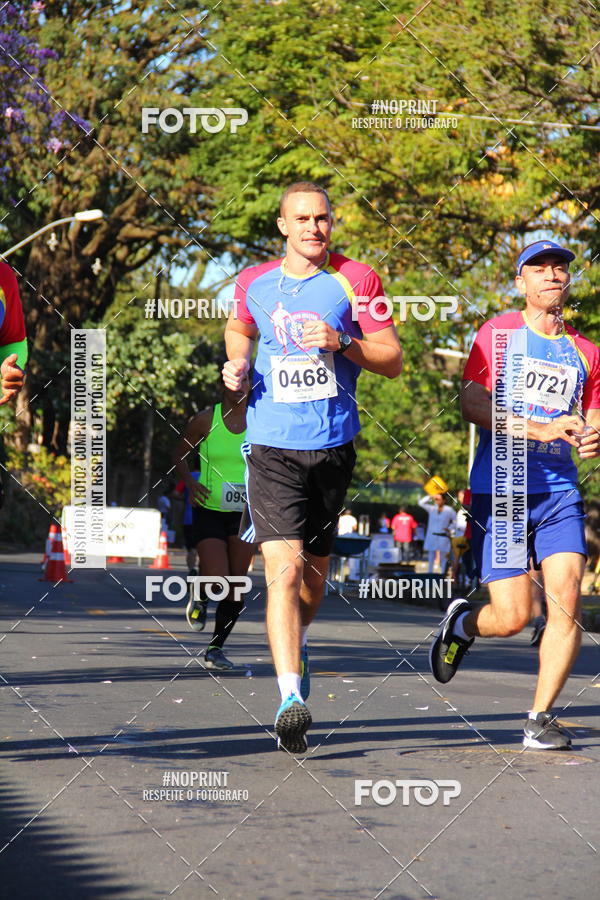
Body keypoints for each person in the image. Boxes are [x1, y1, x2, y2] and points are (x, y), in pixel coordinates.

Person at [223, 181, 402, 752]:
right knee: (285, 572)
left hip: (333, 446)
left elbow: (392, 359)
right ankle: (289, 698)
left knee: (312, 586)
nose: (313, 228)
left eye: (322, 218)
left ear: (332, 222)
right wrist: (237, 363)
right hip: (271, 442)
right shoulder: (252, 282)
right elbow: (238, 329)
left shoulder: (359, 280)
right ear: (282, 225)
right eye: (301, 219)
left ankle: (297, 653)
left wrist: (341, 339)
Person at [429, 239, 600, 751]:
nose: (552, 275)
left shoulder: (587, 351)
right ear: (520, 282)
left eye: (560, 268)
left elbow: (594, 413)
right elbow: (471, 405)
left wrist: (593, 435)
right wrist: (538, 429)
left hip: (558, 492)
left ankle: (540, 718)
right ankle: (463, 621)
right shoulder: (497, 333)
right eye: (539, 268)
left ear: (568, 281)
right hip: (499, 486)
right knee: (512, 617)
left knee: (567, 601)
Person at [173, 380, 255, 670]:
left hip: (245, 513)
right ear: (222, 385)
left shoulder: (262, 420)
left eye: (245, 381)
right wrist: (191, 483)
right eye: (233, 381)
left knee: (236, 587)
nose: (239, 387)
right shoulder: (206, 420)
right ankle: (201, 591)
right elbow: (179, 454)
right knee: (219, 579)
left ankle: (215, 648)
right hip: (209, 508)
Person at [418, 493, 456, 573]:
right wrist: (430, 496)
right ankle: (430, 573)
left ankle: (443, 573)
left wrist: (450, 528)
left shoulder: (449, 510)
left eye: (438, 499)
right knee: (431, 555)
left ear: (444, 500)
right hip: (432, 535)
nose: (436, 501)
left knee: (443, 556)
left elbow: (455, 520)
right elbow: (420, 503)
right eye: (436, 499)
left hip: (443, 535)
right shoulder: (432, 509)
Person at [174, 470, 201, 575]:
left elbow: (176, 493)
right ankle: (203, 571)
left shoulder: (188, 477)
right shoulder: (212, 474)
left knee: (192, 549)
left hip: (189, 518)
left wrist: (186, 498)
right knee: (205, 546)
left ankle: (192, 570)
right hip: (207, 517)